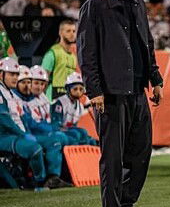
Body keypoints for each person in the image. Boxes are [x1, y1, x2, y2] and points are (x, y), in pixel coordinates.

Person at [77, 0, 163, 207]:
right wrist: (95, 91)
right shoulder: (94, 7)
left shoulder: (137, 4)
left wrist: (156, 79)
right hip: (110, 94)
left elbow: (146, 44)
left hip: (137, 91)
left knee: (140, 153)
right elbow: (86, 53)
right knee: (112, 157)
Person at [0, 57, 56, 189]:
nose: (15, 77)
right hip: (4, 136)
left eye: (16, 74)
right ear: (1, 74)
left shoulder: (10, 93)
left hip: (14, 134)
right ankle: (39, 183)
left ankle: (36, 180)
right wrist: (22, 134)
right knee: (34, 149)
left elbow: (22, 118)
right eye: (11, 74)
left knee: (48, 143)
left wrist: (26, 133)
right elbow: (5, 120)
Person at [51, 72, 97, 146]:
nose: (78, 92)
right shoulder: (60, 103)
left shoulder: (79, 106)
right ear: (68, 89)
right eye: (75, 89)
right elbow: (55, 125)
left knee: (88, 137)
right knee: (76, 135)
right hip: (58, 131)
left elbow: (74, 125)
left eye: (81, 89)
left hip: (69, 130)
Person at [42, 19, 78, 101]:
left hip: (69, 99)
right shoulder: (52, 53)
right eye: (68, 31)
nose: (72, 34)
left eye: (74, 31)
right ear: (60, 33)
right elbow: (43, 79)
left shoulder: (73, 56)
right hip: (53, 98)